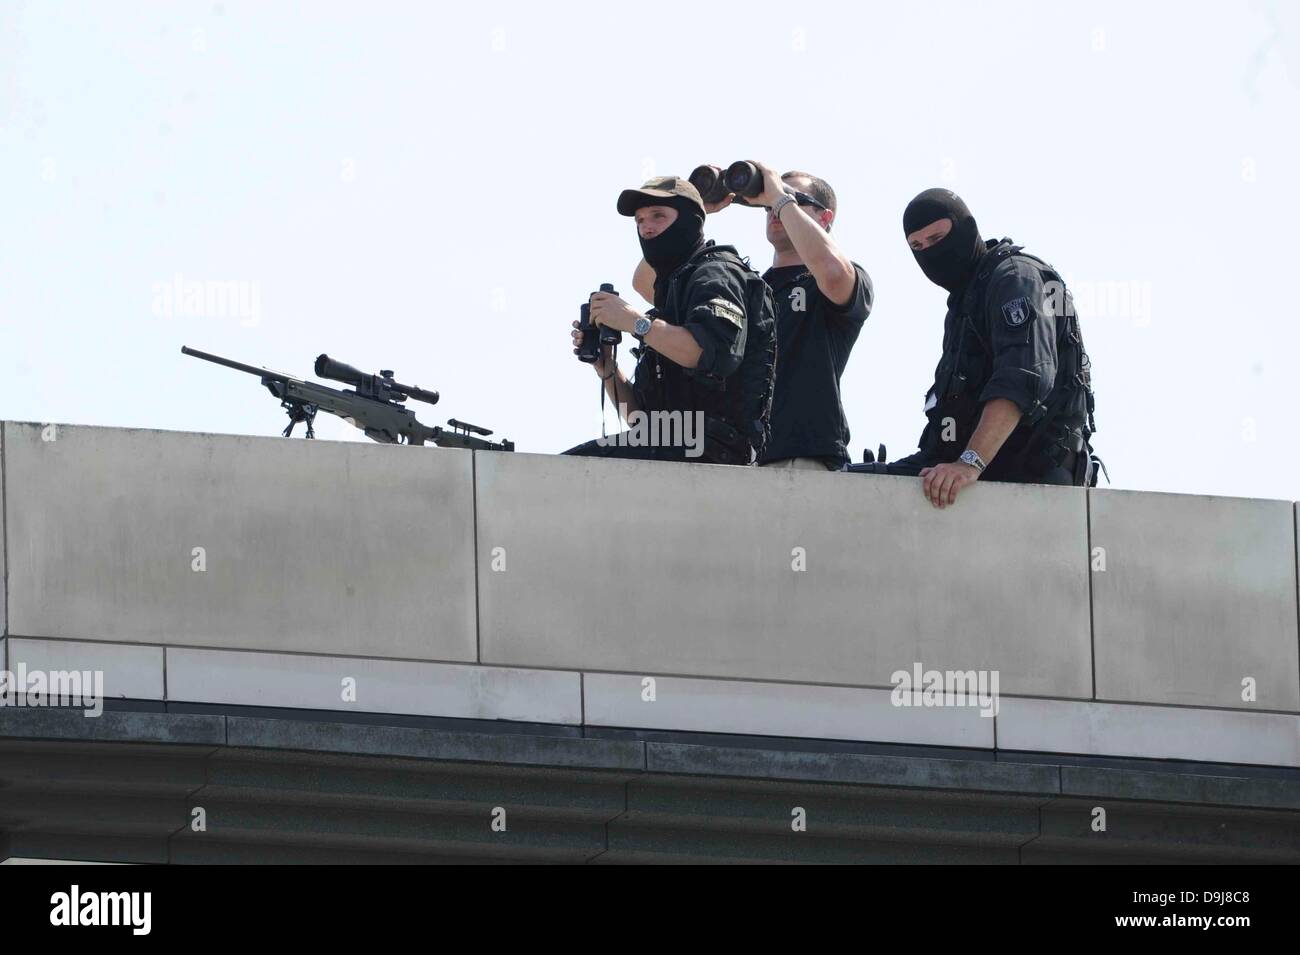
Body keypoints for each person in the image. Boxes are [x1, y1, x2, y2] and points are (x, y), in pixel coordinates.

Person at [634, 162, 871, 471]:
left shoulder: (835, 280)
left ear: (825, 217)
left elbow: (832, 271)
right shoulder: (749, 286)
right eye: (769, 205)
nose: (774, 209)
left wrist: (777, 196)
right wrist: (694, 211)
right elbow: (645, 283)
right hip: (738, 458)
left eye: (793, 199)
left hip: (803, 458)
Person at [869, 188, 1097, 508]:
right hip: (982, 483)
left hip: (1034, 489)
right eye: (917, 247)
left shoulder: (1014, 278)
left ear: (968, 228)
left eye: (937, 239)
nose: (930, 254)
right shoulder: (967, 300)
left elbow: (1023, 377)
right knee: (853, 482)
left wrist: (969, 463)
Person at [564, 176, 776, 465]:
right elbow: (640, 420)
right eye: (639, 221)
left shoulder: (716, 274)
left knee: (567, 471)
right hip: (673, 449)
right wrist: (607, 367)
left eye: (658, 217)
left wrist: (635, 322)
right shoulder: (668, 300)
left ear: (689, 221)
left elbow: (707, 352)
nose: (646, 228)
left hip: (717, 453)